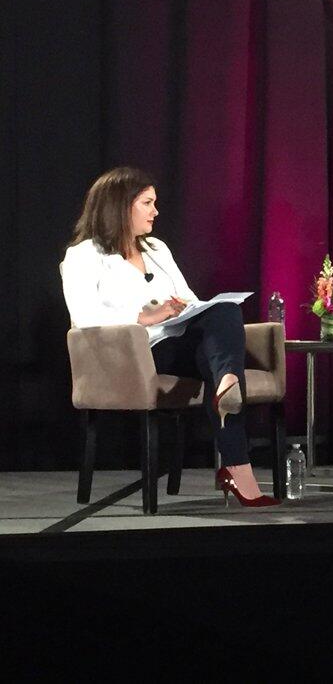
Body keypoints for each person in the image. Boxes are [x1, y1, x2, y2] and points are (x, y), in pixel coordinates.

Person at [61, 167, 279, 508]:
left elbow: (189, 297)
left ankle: (227, 386)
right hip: (140, 352)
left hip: (181, 339)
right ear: (120, 206)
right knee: (218, 355)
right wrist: (144, 316)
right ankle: (238, 459)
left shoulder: (157, 249)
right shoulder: (84, 256)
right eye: (147, 203)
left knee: (223, 311)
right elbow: (84, 317)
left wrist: (182, 307)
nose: (155, 211)